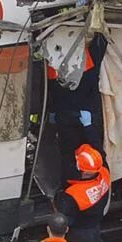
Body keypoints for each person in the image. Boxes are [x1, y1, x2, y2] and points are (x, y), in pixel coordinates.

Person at [46, 32, 108, 180]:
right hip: (78, 115)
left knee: (69, 151)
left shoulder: (54, 63)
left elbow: (52, 89)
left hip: (69, 116)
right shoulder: (87, 57)